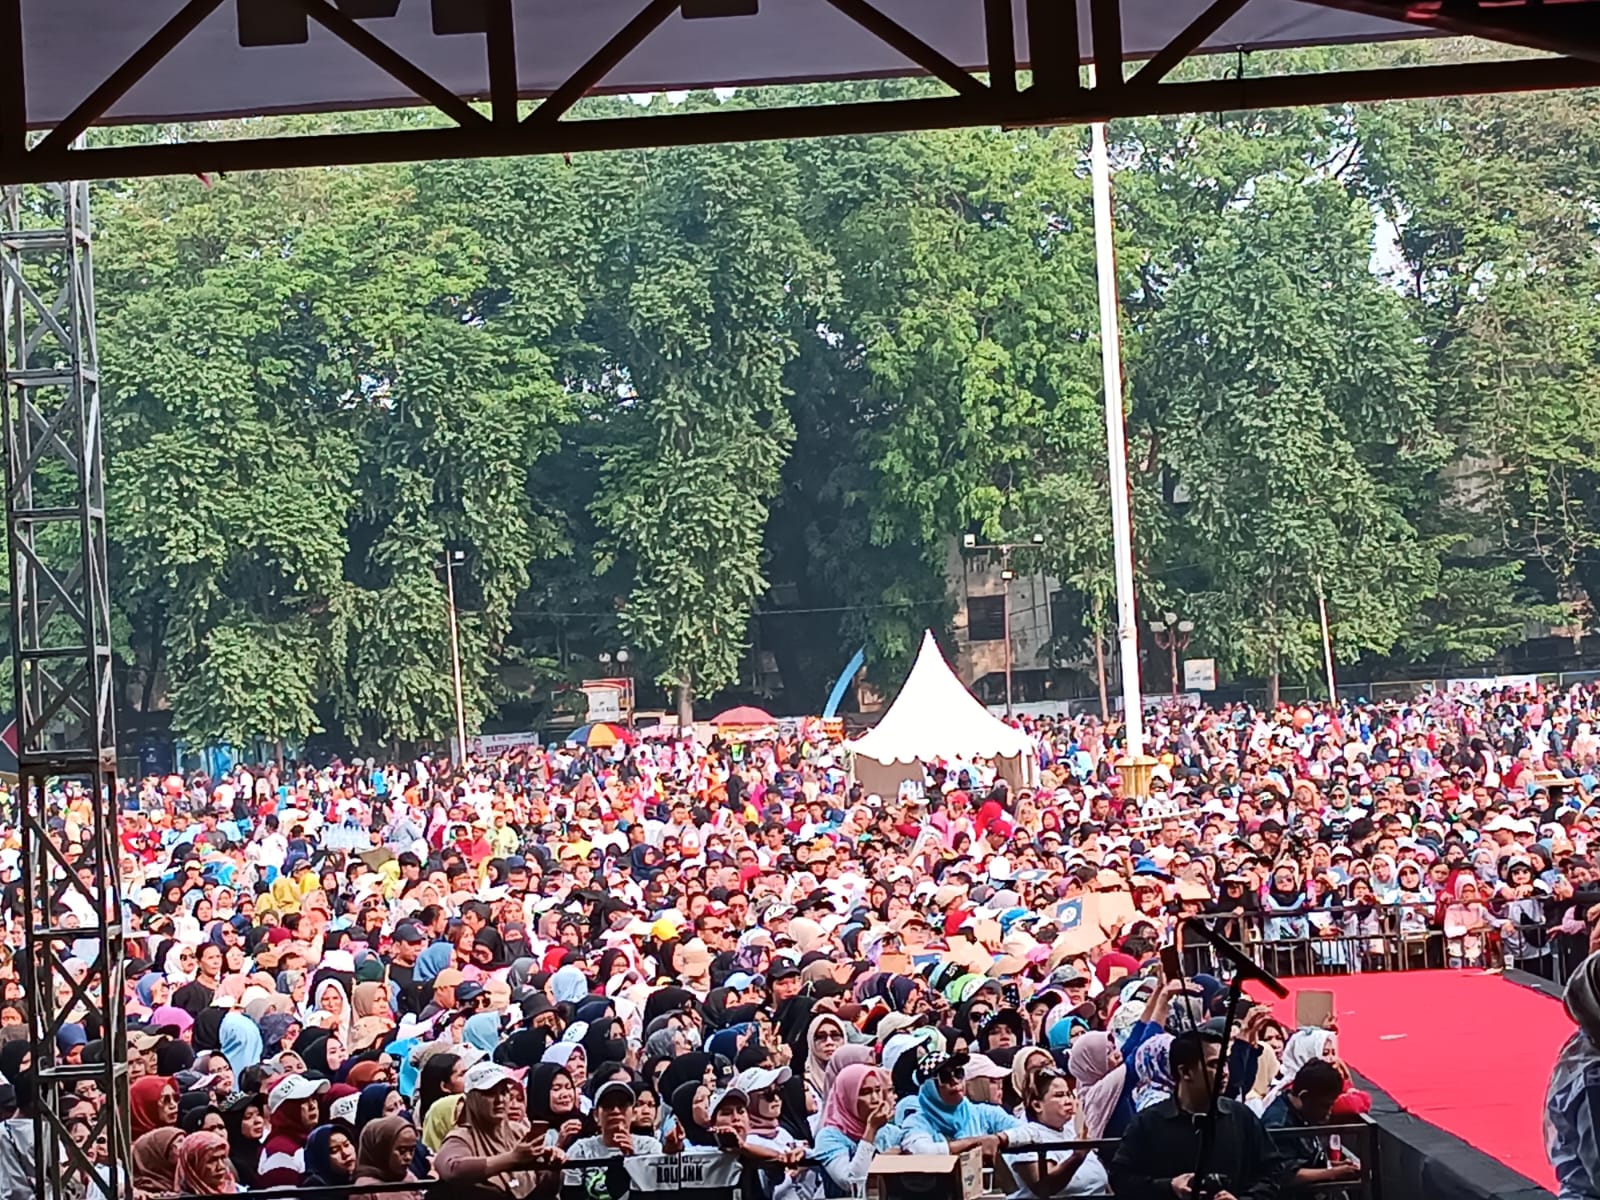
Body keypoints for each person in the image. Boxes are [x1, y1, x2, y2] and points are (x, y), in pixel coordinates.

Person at [1110, 1030, 1284, 1200]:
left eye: (1225, 1063)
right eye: (1214, 1064)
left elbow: (1273, 1172)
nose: (1224, 1072)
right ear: (1185, 1072)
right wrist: (1168, 1186)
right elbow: (1121, 1179)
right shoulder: (1148, 1122)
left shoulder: (1241, 1116)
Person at [434, 1061, 562, 1196]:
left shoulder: (519, 1131)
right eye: (490, 1093)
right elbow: (452, 1169)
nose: (500, 1099)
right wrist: (512, 1158)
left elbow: (545, 1189)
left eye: (504, 1092)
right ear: (472, 1099)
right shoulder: (462, 1137)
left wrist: (552, 1165)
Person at [1004, 1066, 1110, 1199]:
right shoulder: (1025, 1135)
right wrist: (1077, 1156)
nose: (1068, 1101)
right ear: (1037, 1105)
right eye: (1059, 1095)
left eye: (1068, 1094)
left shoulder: (1072, 1129)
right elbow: (1044, 1186)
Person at [1259, 1060, 1362, 1192]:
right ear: (1305, 1096)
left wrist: (1336, 1166)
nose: (1329, 1113)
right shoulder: (1278, 1125)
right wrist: (1334, 1172)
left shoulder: (1300, 1112)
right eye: (1325, 1106)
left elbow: (1303, 1162)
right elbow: (1285, 1175)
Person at [812, 1063, 893, 1196]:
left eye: (877, 1090)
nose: (875, 1099)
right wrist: (871, 1130)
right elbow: (851, 1183)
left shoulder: (890, 1132)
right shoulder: (829, 1137)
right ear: (847, 1097)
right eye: (865, 1093)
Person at [354, 1116, 423, 1200]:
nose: (408, 1157)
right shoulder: (365, 1190)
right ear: (381, 1150)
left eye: (412, 1150)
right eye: (402, 1151)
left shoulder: (409, 1177)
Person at [175, 1129, 241, 1195]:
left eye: (223, 1158)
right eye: (212, 1161)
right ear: (193, 1165)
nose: (221, 1167)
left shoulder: (240, 1191)